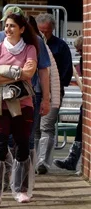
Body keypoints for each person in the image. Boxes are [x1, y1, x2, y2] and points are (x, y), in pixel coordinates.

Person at [0, 12, 39, 206]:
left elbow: (30, 73)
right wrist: (17, 72)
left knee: (22, 145)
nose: (7, 29)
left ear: (22, 29)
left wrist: (3, 70)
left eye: (12, 26)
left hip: (23, 104)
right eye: (6, 25)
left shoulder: (30, 49)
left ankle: (22, 189)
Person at [35, 13, 73, 174]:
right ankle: (33, 160)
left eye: (48, 31)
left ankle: (43, 162)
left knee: (47, 126)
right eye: (41, 30)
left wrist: (55, 87)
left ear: (53, 30)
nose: (44, 34)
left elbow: (67, 70)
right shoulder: (33, 44)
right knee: (35, 128)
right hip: (35, 92)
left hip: (53, 92)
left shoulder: (60, 46)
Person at [54, 35, 83, 171]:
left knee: (81, 128)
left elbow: (83, 87)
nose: (81, 54)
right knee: (80, 128)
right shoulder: (83, 61)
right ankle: (73, 159)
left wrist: (76, 75)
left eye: (81, 50)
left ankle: (73, 159)